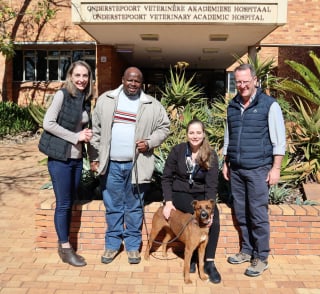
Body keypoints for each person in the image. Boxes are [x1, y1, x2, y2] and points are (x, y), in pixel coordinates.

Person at [88, 67, 170, 264]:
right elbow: (95, 131)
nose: (133, 84)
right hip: (111, 165)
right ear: (122, 79)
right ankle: (112, 245)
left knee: (134, 208)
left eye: (137, 81)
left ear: (141, 83)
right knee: (113, 207)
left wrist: (150, 142)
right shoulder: (106, 100)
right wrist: (94, 157)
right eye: (130, 80)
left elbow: (164, 127)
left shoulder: (151, 104)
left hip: (137, 166)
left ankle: (133, 247)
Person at [222, 63, 286, 277]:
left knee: (257, 214)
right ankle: (247, 250)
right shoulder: (232, 106)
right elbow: (228, 136)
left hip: (259, 169)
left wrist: (276, 168)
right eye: (238, 82)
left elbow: (279, 140)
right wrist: (226, 162)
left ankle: (261, 256)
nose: (242, 86)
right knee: (241, 213)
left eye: (245, 82)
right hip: (237, 169)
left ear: (255, 80)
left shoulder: (269, 105)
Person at [39, 60, 94, 267]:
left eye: (85, 76)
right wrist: (75, 136)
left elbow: (82, 129)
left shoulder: (85, 99)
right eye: (77, 75)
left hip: (77, 160)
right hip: (60, 159)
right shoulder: (62, 95)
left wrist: (86, 138)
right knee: (63, 203)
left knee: (70, 202)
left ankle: (65, 243)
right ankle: (64, 247)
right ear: (70, 76)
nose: (81, 79)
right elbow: (48, 123)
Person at [161, 119, 221, 284]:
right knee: (191, 215)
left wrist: (211, 212)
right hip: (180, 193)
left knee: (214, 221)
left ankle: (209, 262)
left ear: (203, 134)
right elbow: (166, 178)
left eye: (198, 133)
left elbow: (211, 185)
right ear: (187, 134)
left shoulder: (211, 154)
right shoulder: (178, 150)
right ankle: (193, 257)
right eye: (191, 132)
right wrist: (168, 201)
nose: (195, 136)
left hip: (201, 195)